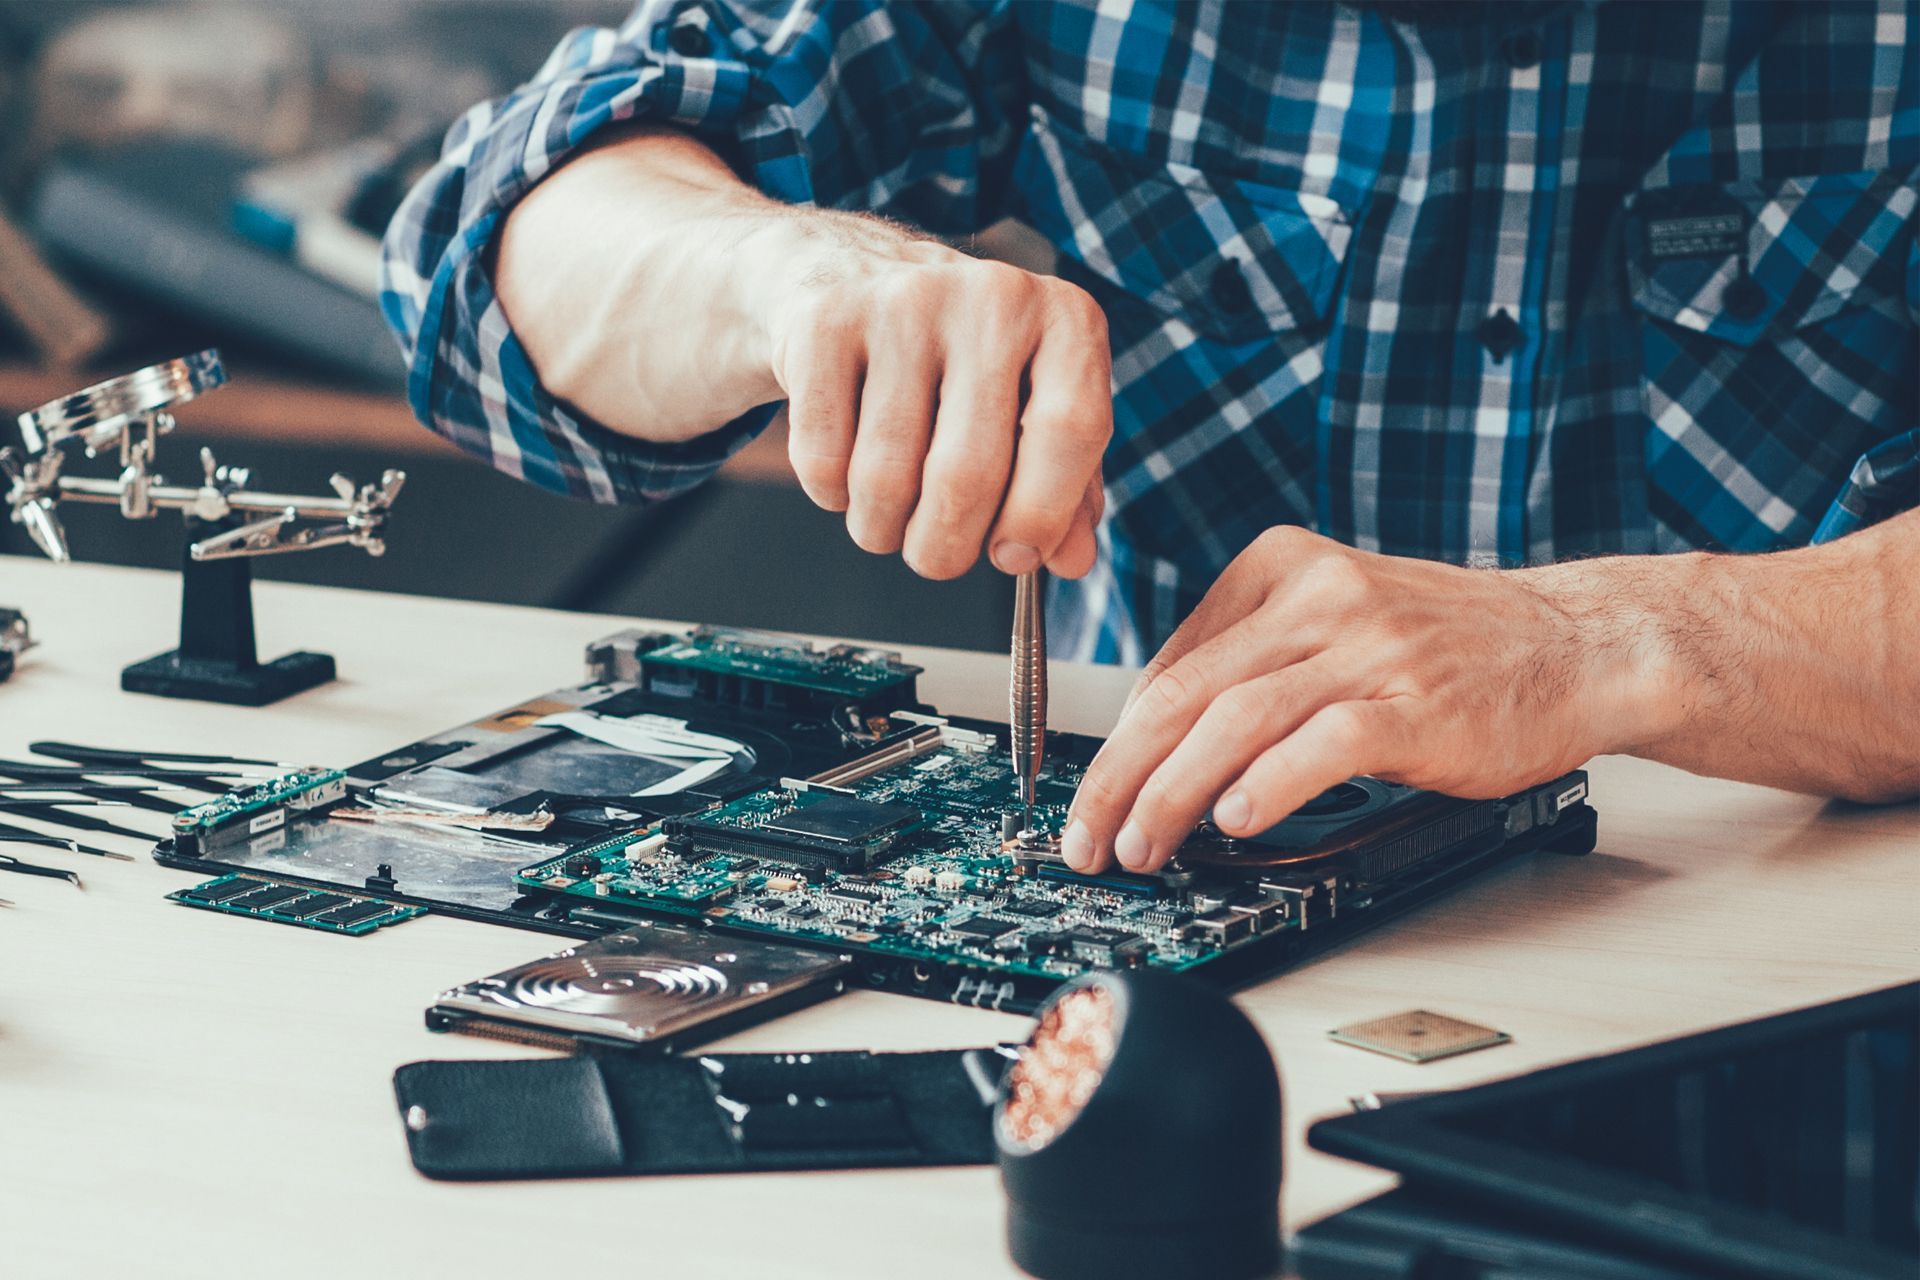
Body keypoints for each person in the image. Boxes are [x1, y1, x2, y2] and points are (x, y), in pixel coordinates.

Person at [382, 1, 1919, 878]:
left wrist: (1615, 640)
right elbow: (484, 259)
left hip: (1791, 985)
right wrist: (786, 273)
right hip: (1186, 949)